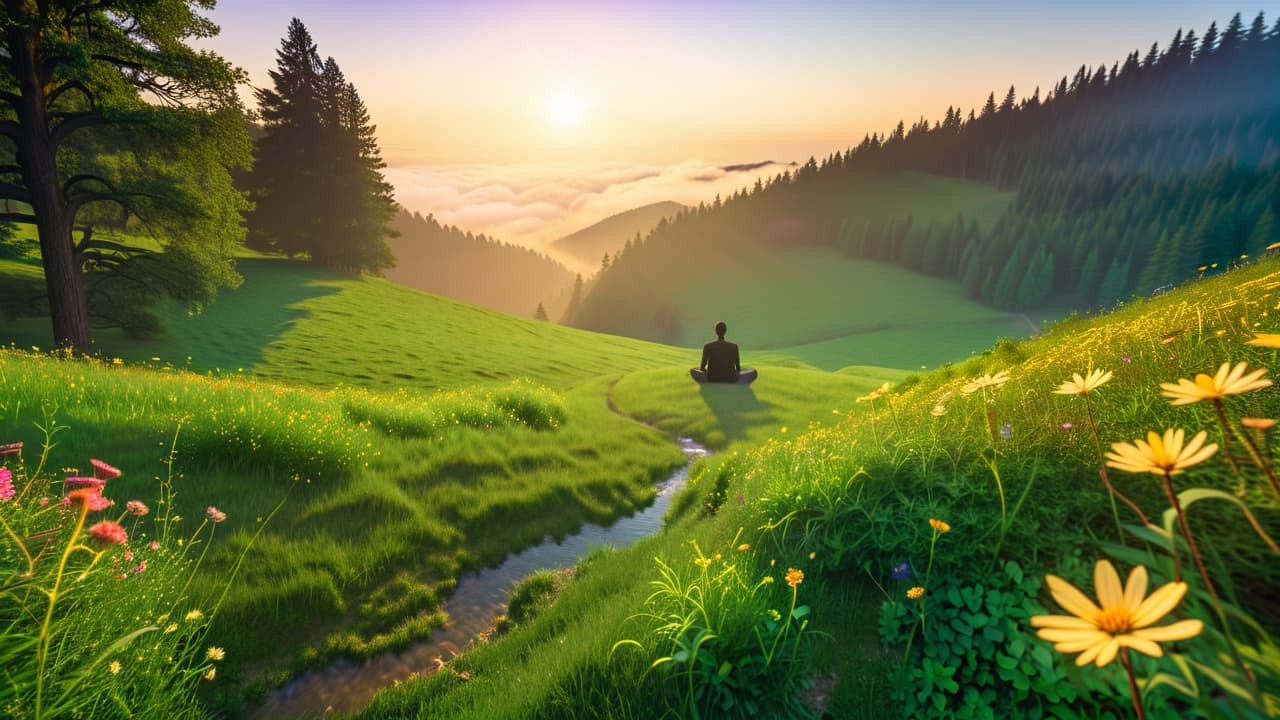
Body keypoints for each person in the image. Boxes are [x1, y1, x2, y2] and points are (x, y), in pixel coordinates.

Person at [690, 321, 757, 384]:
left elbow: (702, 367)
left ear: (715, 331)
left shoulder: (708, 346)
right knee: (753, 372)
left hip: (712, 379)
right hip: (731, 378)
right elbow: (738, 368)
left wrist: (706, 371)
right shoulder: (734, 346)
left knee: (693, 370)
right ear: (725, 331)